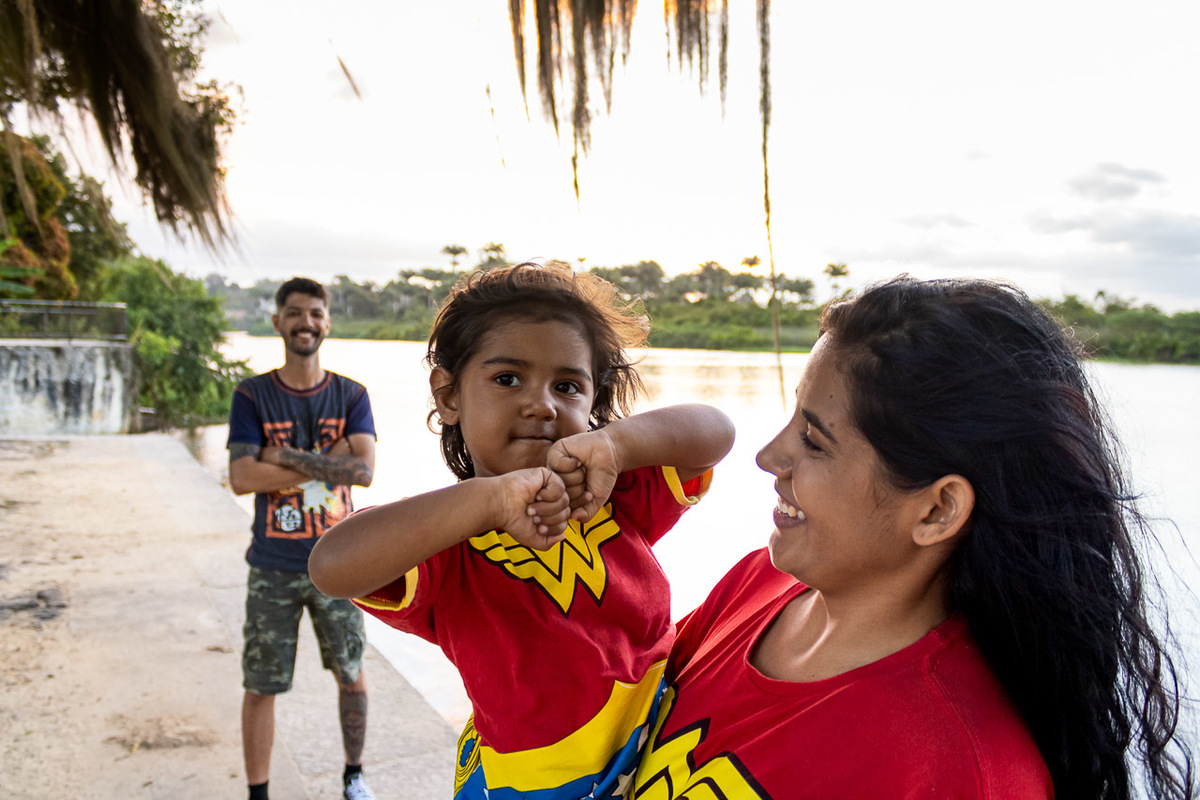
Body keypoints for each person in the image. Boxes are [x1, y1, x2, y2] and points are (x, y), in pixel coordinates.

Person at [631, 276, 1196, 799]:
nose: (767, 456)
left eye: (814, 440)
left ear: (938, 510)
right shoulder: (755, 583)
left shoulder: (959, 774)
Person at [309, 261, 736, 799]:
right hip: (539, 783)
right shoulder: (446, 539)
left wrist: (616, 445)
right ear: (449, 395)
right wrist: (494, 499)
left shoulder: (612, 493)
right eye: (507, 378)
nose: (542, 404)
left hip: (666, 749)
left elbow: (716, 432)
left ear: (594, 404)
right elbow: (330, 566)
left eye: (568, 386)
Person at [227, 277, 379, 800]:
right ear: (277, 321)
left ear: (327, 321)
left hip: (341, 561)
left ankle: (353, 777)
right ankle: (259, 793)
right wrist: (325, 462)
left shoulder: (351, 394)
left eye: (315, 313)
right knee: (260, 685)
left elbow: (362, 473)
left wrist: (278, 455)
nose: (305, 322)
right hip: (272, 564)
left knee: (352, 674)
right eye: (295, 313)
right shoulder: (252, 395)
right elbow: (242, 479)